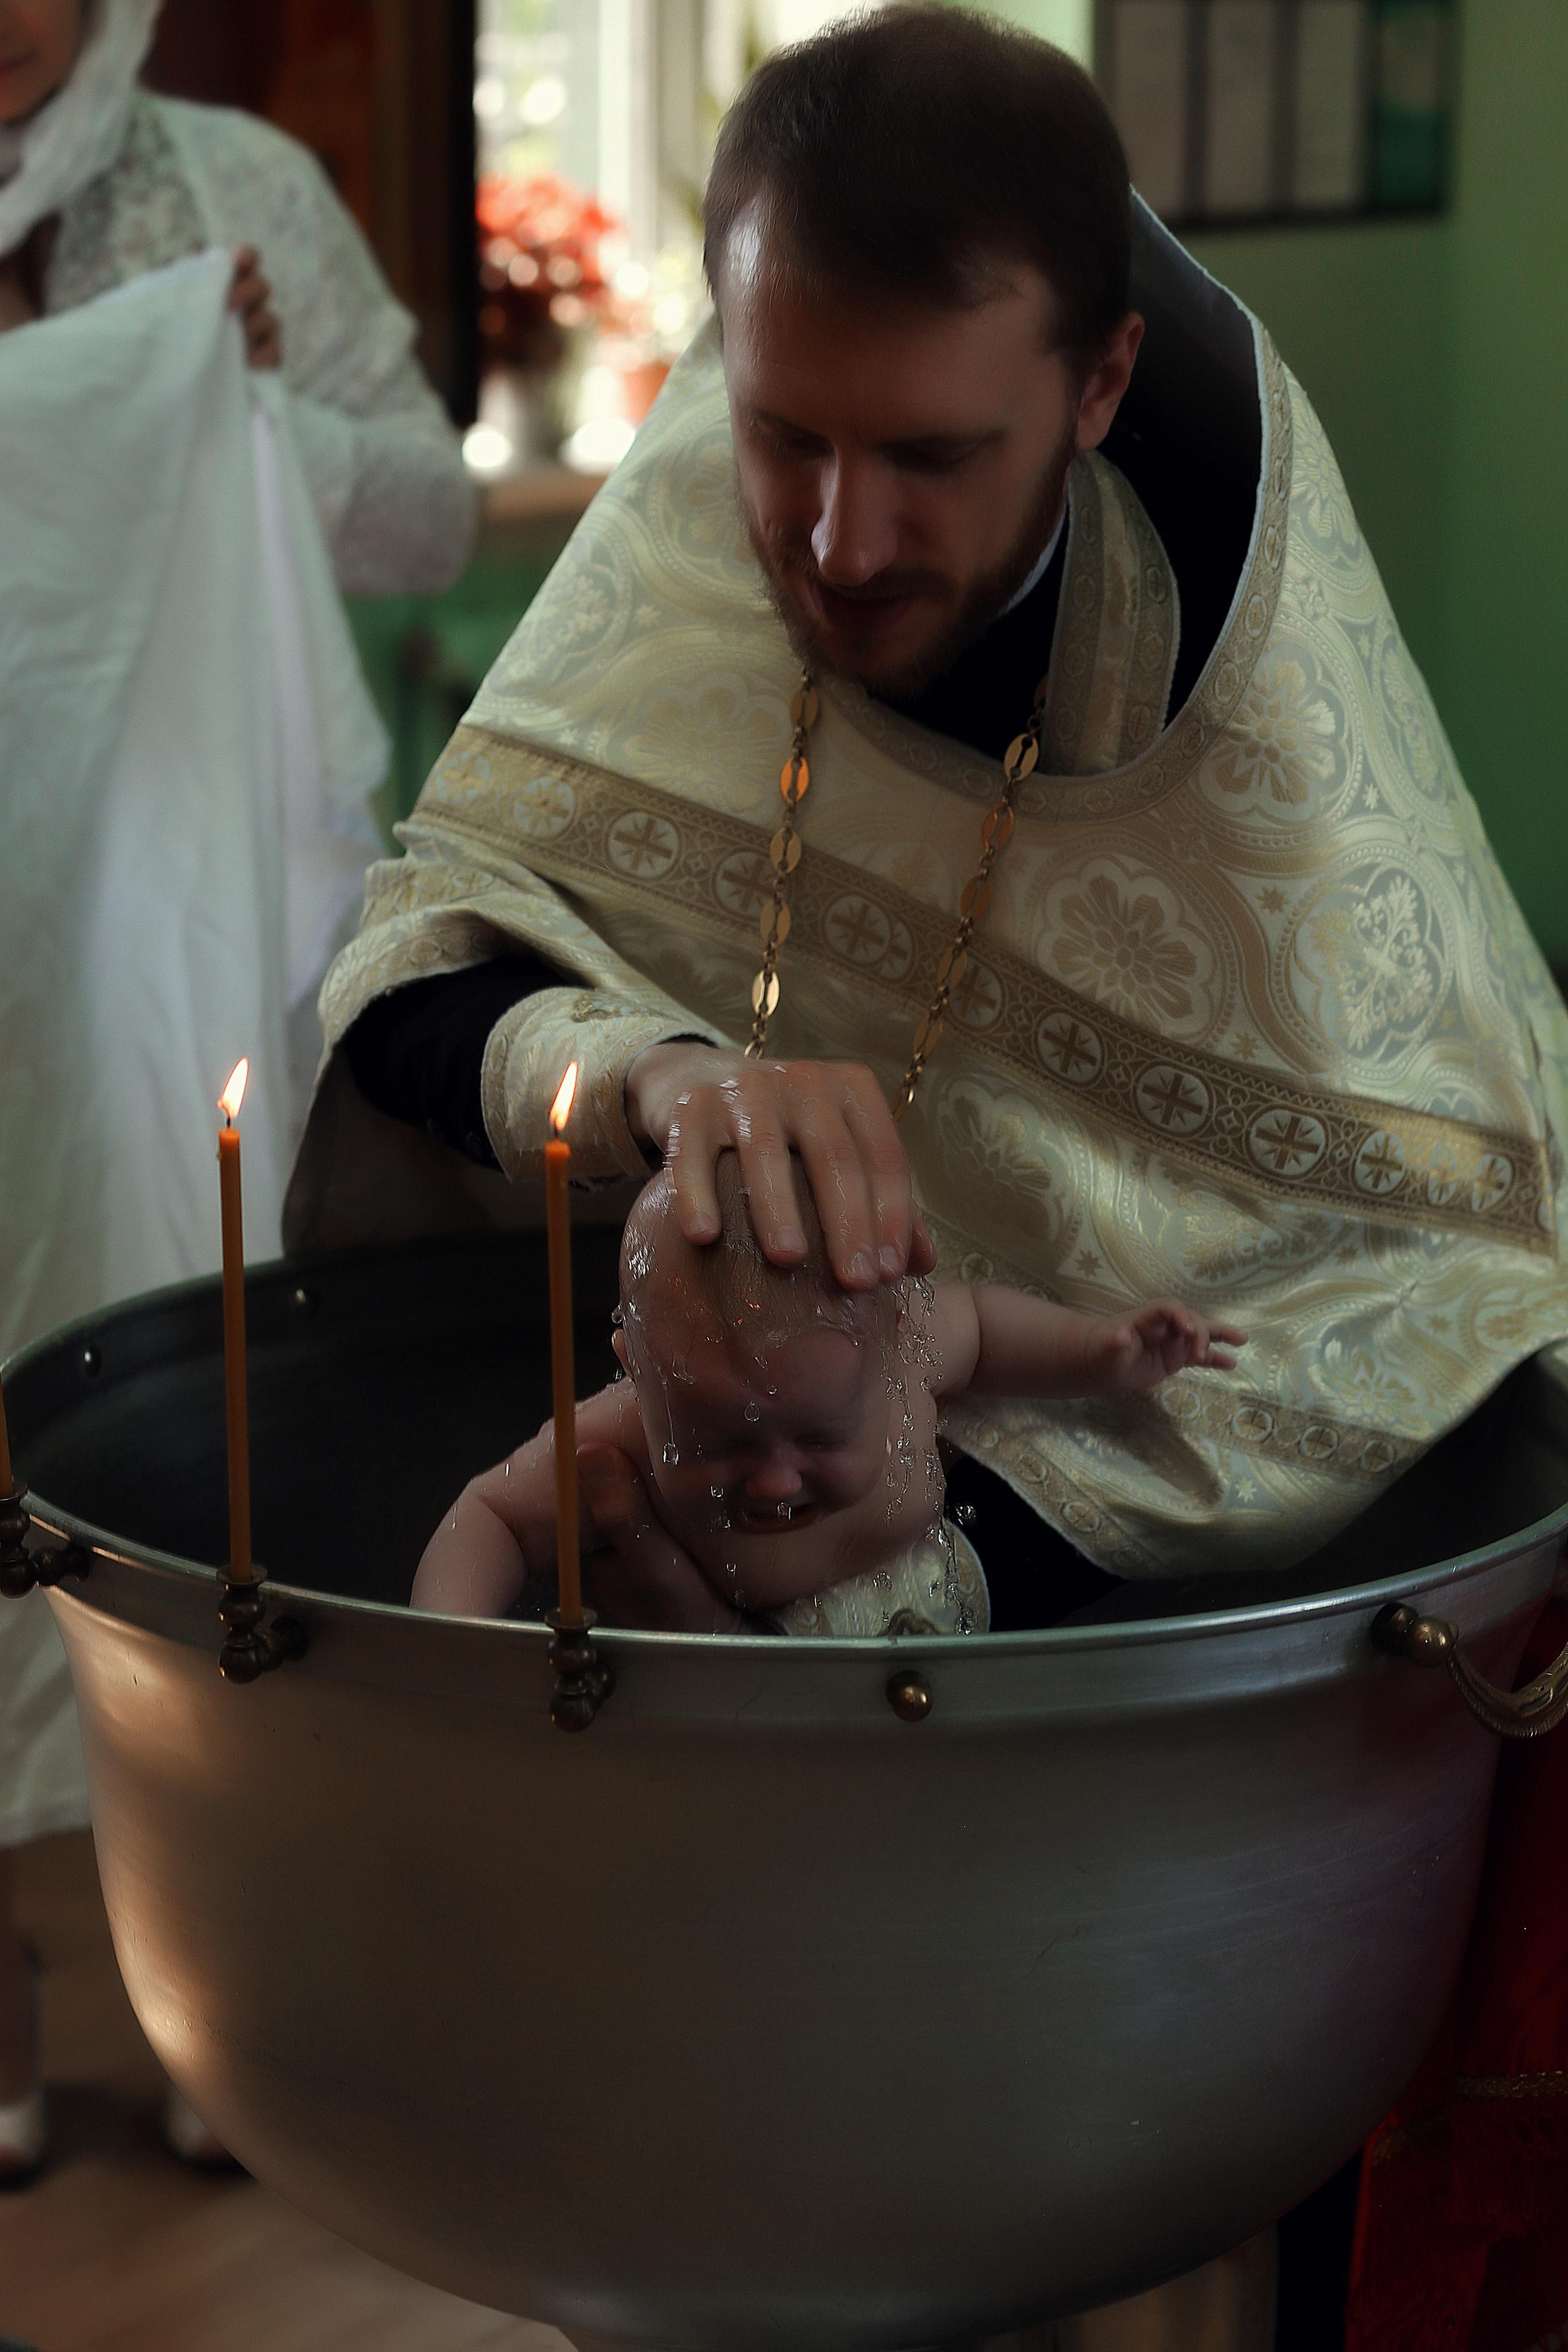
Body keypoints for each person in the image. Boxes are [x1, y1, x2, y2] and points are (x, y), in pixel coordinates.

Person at [281, 7, 1568, 2342]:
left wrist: (958, 1517)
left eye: (930, 458)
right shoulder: (722, 489)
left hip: (1130, 1755)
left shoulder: (1233, 605)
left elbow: (1440, 1245)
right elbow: (421, 965)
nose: (837, 538)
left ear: (1090, 395)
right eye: (781, 437)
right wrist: (657, 1076)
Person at [0, 0, 475, 2182]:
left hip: (170, 947)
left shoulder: (236, 193)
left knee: (190, 1448)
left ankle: (224, 2002)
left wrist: (250, 396)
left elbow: (434, 523)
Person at [413, 1156, 1245, 1635]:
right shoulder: (619, 1432)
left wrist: (1104, 1352)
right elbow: (485, 1515)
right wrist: (451, 1643)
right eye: (715, 1441)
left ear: (895, 1352)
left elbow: (988, 1330)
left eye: (818, 1436)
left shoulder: (911, 1347)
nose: (773, 1480)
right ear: (635, 1368)